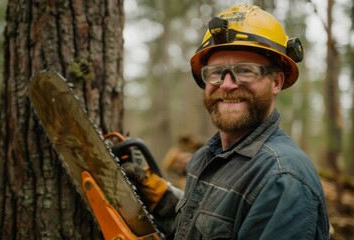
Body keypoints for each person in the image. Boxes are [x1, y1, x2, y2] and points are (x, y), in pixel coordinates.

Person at [123, 3, 330, 239]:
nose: (227, 83)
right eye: (216, 71)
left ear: (276, 82)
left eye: (245, 70)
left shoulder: (282, 180)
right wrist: (164, 202)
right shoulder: (205, 158)